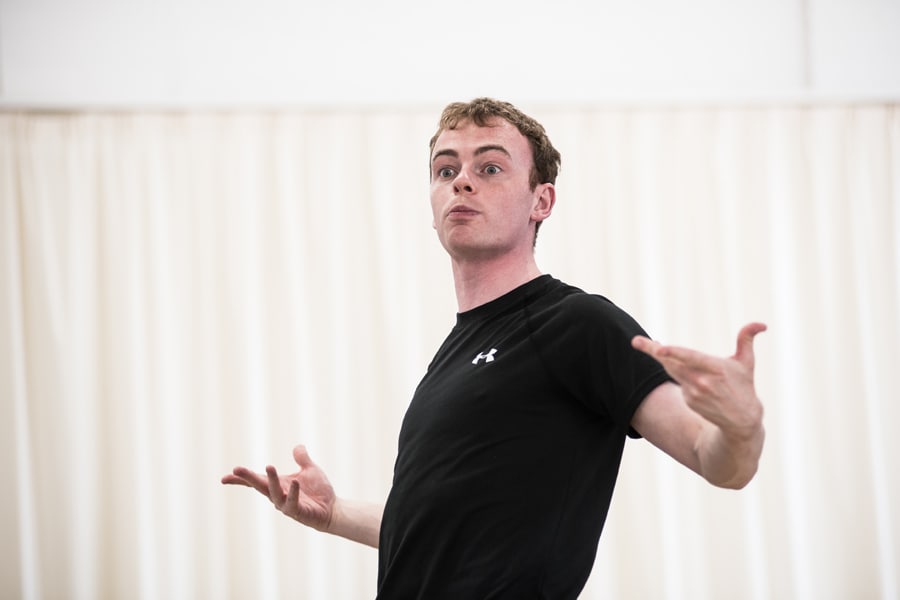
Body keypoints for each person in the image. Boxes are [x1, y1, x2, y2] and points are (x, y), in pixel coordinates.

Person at [222, 98, 767, 598]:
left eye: (489, 167)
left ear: (541, 200)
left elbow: (716, 460)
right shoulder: (453, 355)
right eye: (445, 169)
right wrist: (335, 512)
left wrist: (742, 426)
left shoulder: (578, 324)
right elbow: (446, 524)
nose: (461, 182)